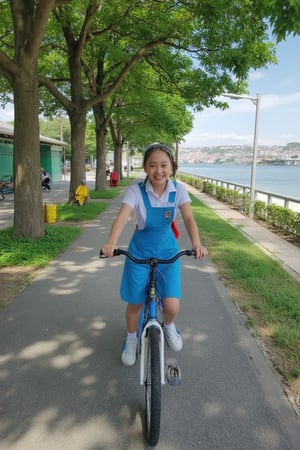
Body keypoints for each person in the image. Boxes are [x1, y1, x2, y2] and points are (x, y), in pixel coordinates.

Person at [101, 143, 208, 366]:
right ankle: (131, 338)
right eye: (152, 166)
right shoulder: (136, 191)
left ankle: (168, 326)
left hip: (168, 253)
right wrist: (111, 243)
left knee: (171, 306)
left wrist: (197, 244)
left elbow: (188, 219)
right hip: (139, 253)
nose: (158, 171)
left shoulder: (178, 190)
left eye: (163, 165)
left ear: (172, 167)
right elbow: (122, 217)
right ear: (145, 168)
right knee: (136, 302)